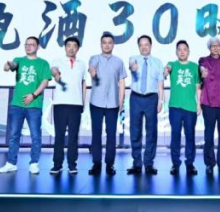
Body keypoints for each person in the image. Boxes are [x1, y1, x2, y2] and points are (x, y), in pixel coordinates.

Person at [0, 36, 51, 175]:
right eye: (26, 44)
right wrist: (8, 65)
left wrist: (33, 95)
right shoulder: (19, 60)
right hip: (17, 105)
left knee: (35, 136)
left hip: (34, 105)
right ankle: (11, 163)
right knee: (14, 135)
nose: (28, 46)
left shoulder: (43, 63)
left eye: (32, 44)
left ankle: (34, 163)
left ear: (38, 47)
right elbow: (11, 66)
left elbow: (45, 81)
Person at [87, 32, 126, 176]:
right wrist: (92, 72)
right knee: (96, 133)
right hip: (96, 102)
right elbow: (91, 68)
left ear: (113, 45)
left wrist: (121, 100)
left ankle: (110, 164)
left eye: (110, 42)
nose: (107, 45)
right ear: (101, 44)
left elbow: (122, 82)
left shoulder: (119, 62)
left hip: (113, 103)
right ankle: (96, 163)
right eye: (104, 42)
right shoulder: (95, 58)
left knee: (111, 134)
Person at [127, 35, 165, 175]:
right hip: (136, 98)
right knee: (135, 131)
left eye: (146, 44)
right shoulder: (133, 58)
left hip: (151, 98)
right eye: (141, 45)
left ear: (150, 46)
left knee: (151, 132)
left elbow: (160, 84)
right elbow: (131, 66)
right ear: (138, 46)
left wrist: (161, 101)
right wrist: (133, 67)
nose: (144, 47)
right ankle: (137, 163)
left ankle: (148, 163)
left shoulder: (158, 62)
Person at [50, 36, 87, 175]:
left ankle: (72, 164)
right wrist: (56, 75)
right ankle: (57, 164)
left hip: (76, 104)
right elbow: (53, 70)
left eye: (74, 46)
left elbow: (83, 84)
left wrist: (83, 102)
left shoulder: (82, 64)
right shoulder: (57, 61)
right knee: (59, 135)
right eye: (69, 45)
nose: (71, 48)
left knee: (73, 136)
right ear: (65, 47)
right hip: (60, 104)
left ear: (78, 48)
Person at [198, 37, 220, 175]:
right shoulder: (203, 60)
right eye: (212, 46)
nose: (215, 48)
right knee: (209, 134)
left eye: (217, 45)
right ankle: (209, 163)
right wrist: (202, 70)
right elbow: (201, 69)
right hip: (208, 102)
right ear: (209, 48)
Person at [164, 40, 200, 175]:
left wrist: (199, 104)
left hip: (190, 107)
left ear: (189, 52)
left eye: (185, 49)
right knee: (175, 135)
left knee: (190, 136)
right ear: (176, 52)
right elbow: (165, 71)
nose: (182, 52)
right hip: (175, 107)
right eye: (179, 49)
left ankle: (190, 163)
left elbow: (198, 88)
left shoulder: (195, 67)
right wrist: (166, 70)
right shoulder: (172, 64)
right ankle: (175, 163)